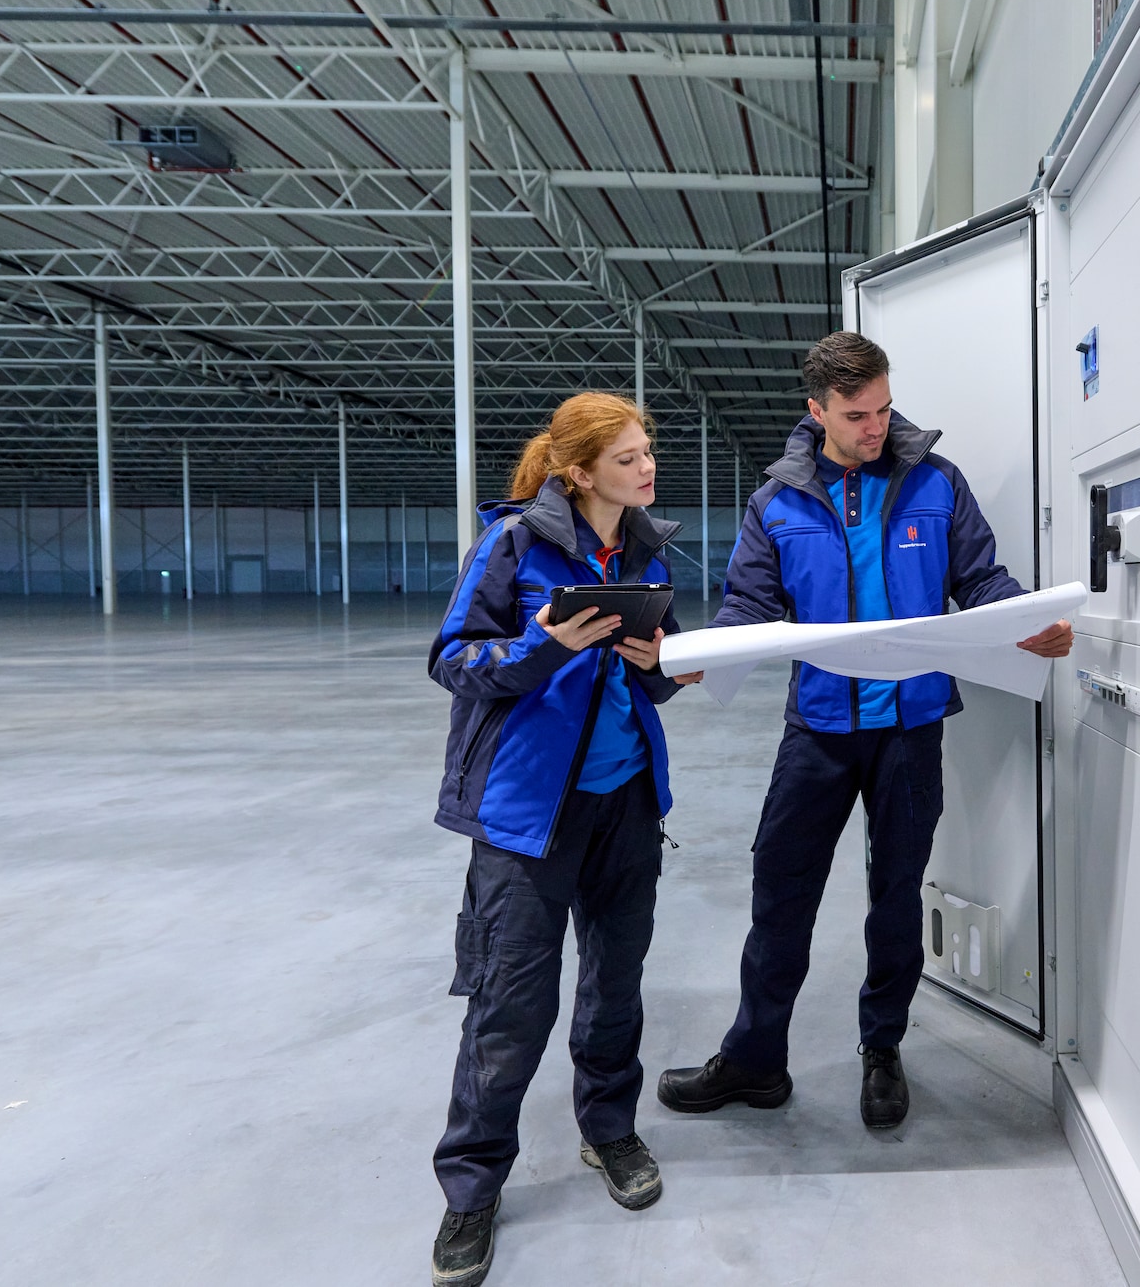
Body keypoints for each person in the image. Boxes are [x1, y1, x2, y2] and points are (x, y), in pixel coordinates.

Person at [657, 331, 1073, 1131]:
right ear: (816, 411)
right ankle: (755, 1059)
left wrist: (1029, 623)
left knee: (894, 899)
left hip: (911, 730)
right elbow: (749, 605)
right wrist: (702, 654)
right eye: (857, 414)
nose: (877, 425)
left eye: (883, 407)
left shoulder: (935, 484)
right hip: (817, 727)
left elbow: (981, 579)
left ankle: (881, 1050)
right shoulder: (777, 501)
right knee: (780, 893)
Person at [425, 393, 697, 1287]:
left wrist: (665, 667)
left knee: (615, 985)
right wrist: (540, 648)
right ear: (578, 472)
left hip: (625, 803)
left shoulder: (648, 547)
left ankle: (608, 1129)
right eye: (627, 457)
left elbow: (667, 667)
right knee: (512, 1004)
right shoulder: (512, 545)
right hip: (528, 816)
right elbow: (452, 658)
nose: (646, 467)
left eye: (647, 450)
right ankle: (472, 1187)